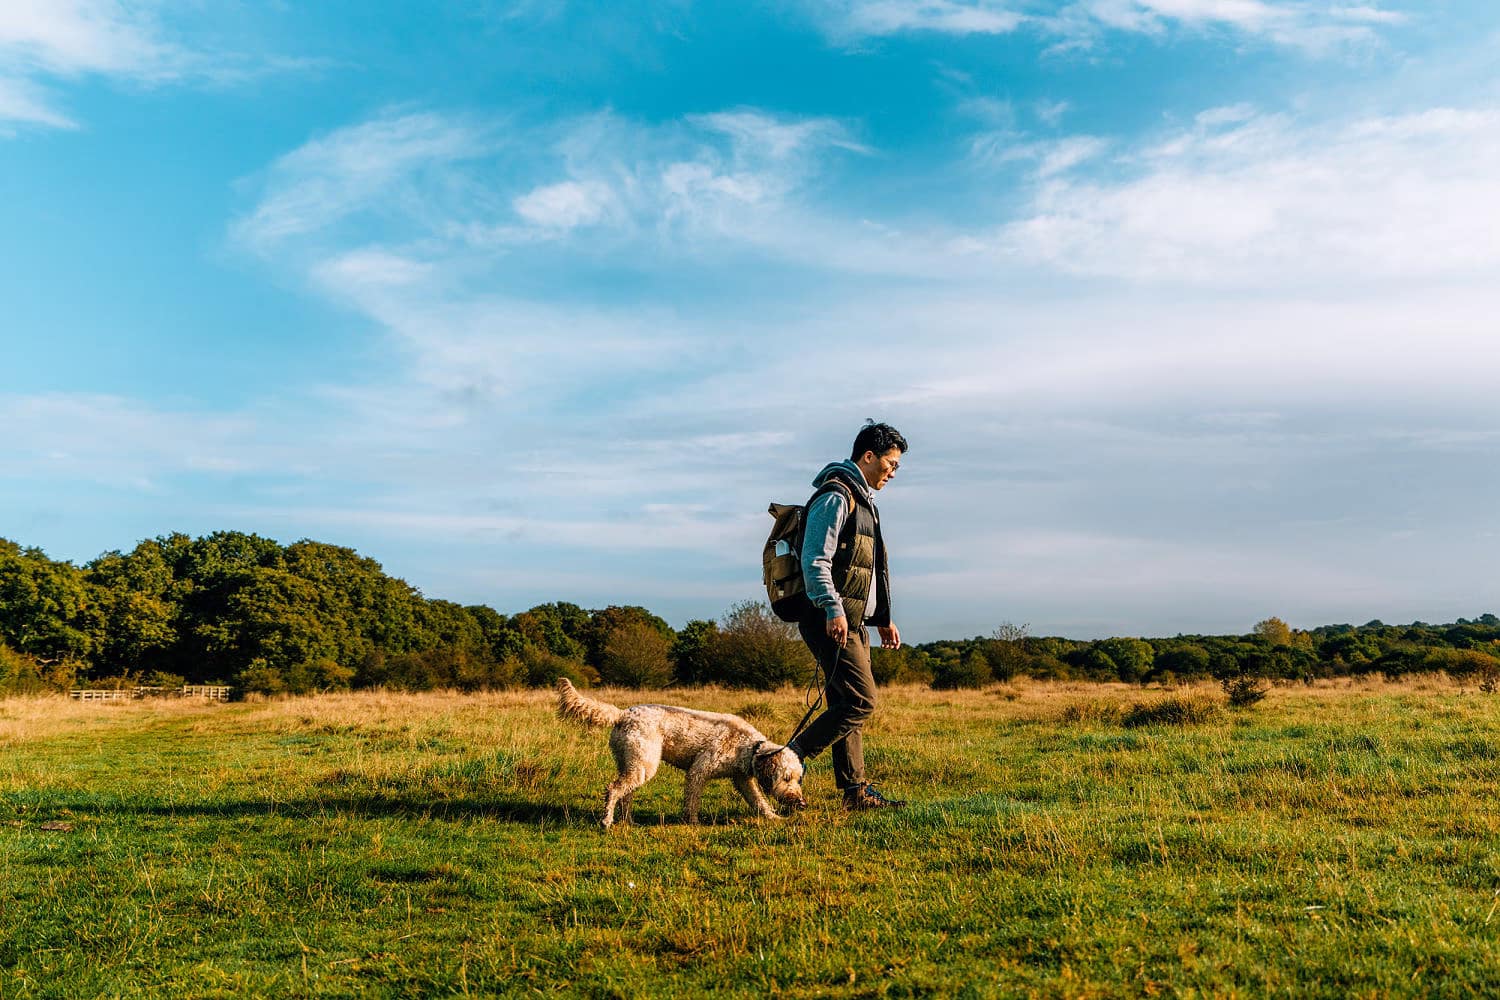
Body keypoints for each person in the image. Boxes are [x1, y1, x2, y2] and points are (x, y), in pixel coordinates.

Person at [785, 421, 908, 810]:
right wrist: (832, 607)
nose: (893, 472)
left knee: (846, 702)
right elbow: (814, 559)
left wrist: (882, 617)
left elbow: (868, 569)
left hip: (852, 620)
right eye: (890, 463)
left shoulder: (863, 500)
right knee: (861, 701)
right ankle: (786, 758)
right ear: (868, 456)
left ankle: (855, 792)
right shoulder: (836, 496)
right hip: (830, 618)